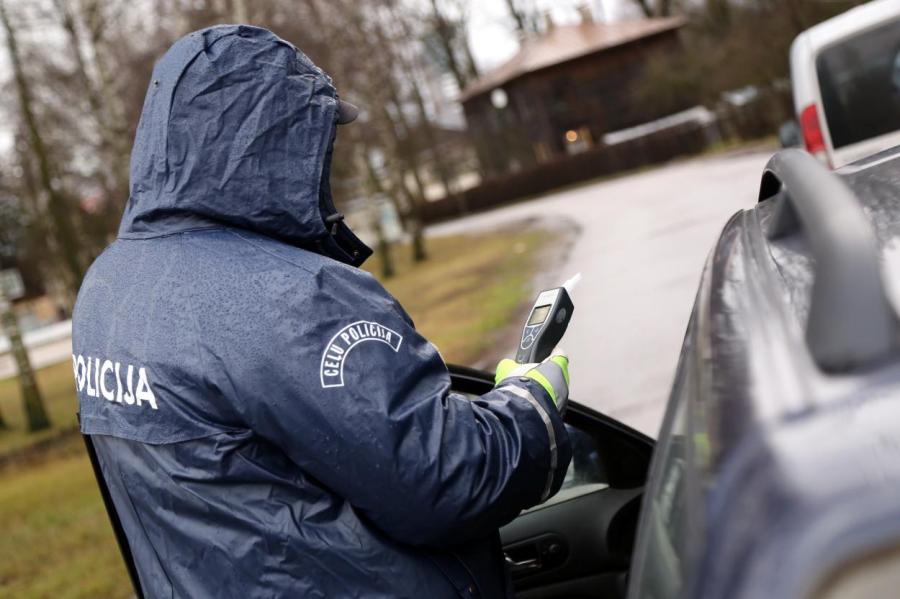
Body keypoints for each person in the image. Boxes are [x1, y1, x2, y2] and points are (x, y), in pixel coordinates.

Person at [72, 25, 571, 598]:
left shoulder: (109, 290)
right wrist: (531, 407)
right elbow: (448, 482)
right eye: (316, 140)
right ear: (277, 143)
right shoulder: (294, 299)